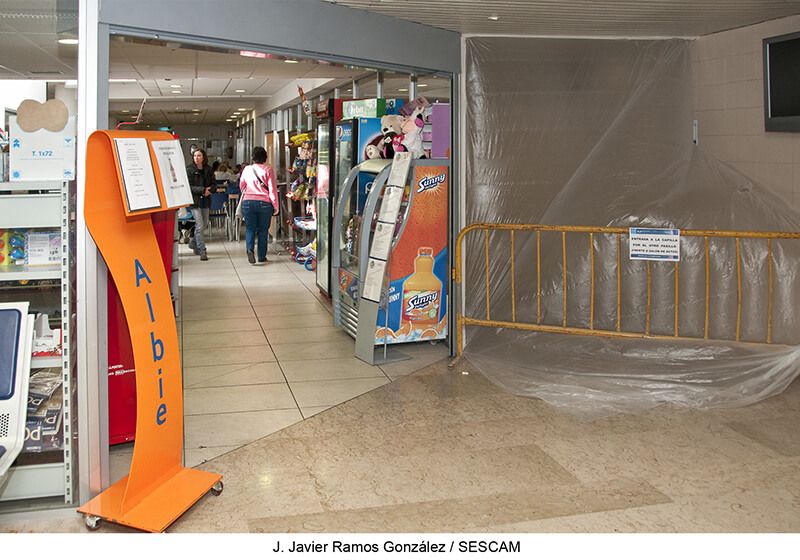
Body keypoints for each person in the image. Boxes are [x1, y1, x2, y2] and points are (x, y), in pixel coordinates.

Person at [238, 146, 279, 264]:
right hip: (264, 203)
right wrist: (276, 206)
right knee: (263, 230)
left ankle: (250, 250)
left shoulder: (246, 169)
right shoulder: (268, 170)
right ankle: (261, 256)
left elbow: (242, 186)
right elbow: (272, 189)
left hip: (248, 202)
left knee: (250, 228)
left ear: (253, 158)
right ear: (265, 158)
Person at [186, 148, 214, 261]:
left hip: (205, 201)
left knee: (204, 224)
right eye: (195, 156)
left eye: (199, 156)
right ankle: (202, 250)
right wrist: (202, 190)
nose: (196, 158)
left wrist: (210, 190)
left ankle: (193, 243)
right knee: (200, 225)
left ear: (203, 157)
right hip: (195, 201)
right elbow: (189, 186)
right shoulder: (189, 170)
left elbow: (213, 183)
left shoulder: (208, 169)